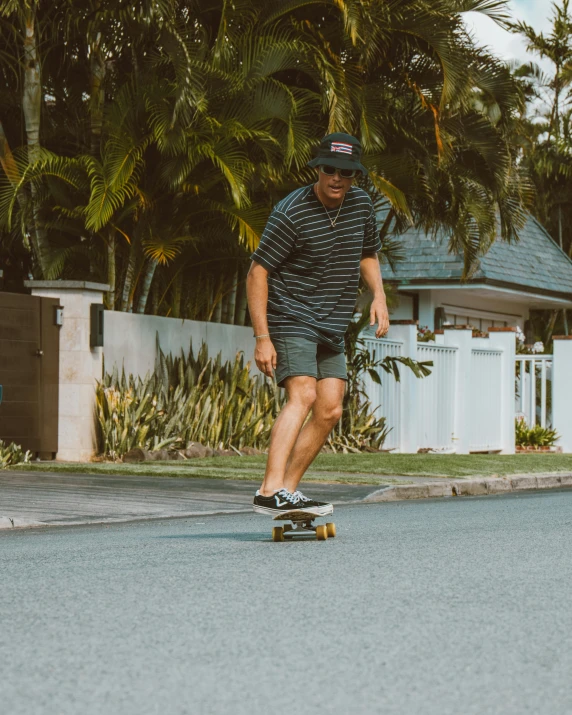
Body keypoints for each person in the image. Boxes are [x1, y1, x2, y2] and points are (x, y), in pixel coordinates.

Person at [246, 132, 389, 517]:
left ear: (355, 175)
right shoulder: (291, 212)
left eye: (346, 172)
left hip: (332, 322)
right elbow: (257, 272)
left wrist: (379, 295)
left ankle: (287, 493)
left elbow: (367, 253)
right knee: (304, 395)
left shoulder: (361, 205)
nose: (337, 178)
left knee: (329, 410)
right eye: (330, 169)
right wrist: (263, 337)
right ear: (318, 168)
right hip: (291, 315)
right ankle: (269, 488)